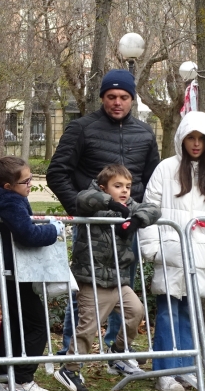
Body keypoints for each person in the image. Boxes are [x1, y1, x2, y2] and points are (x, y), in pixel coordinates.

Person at [46, 69, 160, 356]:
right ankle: (71, 353)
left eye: (123, 97)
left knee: (124, 293)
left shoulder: (145, 133)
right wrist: (82, 209)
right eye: (111, 97)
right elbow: (57, 173)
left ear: (132, 100)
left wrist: (138, 213)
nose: (117, 102)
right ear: (102, 98)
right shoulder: (82, 128)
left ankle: (118, 354)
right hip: (93, 228)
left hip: (126, 228)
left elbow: (150, 180)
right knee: (88, 294)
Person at [139, 111, 205, 391]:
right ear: (182, 139)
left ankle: (188, 367)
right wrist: (154, 249)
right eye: (190, 137)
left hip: (198, 255)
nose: (195, 144)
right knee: (168, 312)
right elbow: (149, 210)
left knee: (190, 313)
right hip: (169, 253)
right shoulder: (166, 169)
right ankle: (167, 371)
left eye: (201, 139)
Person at [54, 164, 160, 391]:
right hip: (92, 279)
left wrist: (136, 220)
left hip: (117, 280)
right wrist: (111, 205)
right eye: (118, 186)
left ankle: (119, 352)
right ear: (103, 187)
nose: (124, 191)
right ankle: (69, 368)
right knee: (89, 326)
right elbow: (84, 199)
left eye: (128, 187)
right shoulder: (91, 202)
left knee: (136, 311)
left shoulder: (130, 206)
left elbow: (153, 209)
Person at [0, 156, 59, 391]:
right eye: (26, 181)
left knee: (15, 324)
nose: (30, 185)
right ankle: (22, 378)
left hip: (13, 270)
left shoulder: (5, 197)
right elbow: (27, 233)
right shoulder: (9, 201)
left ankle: (7, 377)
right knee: (36, 325)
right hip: (15, 271)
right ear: (8, 186)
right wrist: (54, 230)